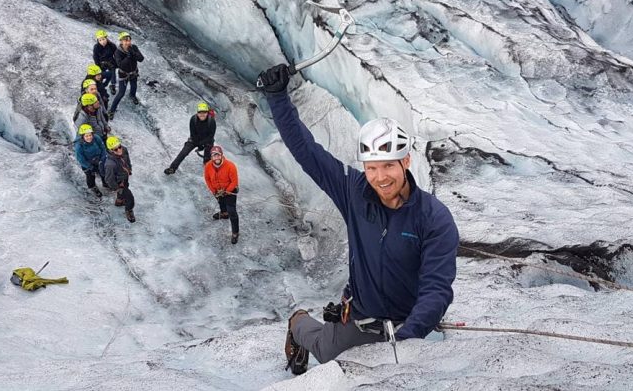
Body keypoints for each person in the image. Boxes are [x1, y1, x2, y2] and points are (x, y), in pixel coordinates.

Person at [256, 63, 459, 375]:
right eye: (372, 167)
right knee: (325, 352)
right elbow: (307, 152)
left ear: (405, 161)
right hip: (360, 315)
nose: (380, 177)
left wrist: (409, 337)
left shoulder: (433, 218)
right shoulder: (354, 191)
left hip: (407, 321)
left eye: (388, 165)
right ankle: (298, 322)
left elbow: (437, 288)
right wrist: (277, 97)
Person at [164, 102, 217, 175]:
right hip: (195, 139)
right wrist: (199, 144)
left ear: (207, 113)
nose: (202, 114)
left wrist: (202, 144)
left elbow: (211, 136)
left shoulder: (211, 121)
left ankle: (207, 166)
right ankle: (172, 168)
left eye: (204, 112)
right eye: (200, 112)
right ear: (197, 113)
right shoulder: (193, 119)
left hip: (207, 140)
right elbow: (193, 134)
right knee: (183, 152)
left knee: (207, 155)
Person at [203, 145, 239, 244]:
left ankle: (235, 232)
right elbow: (207, 179)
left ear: (221, 155)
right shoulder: (208, 166)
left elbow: (234, 181)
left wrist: (226, 191)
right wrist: (214, 191)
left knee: (232, 211)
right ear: (211, 157)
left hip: (230, 191)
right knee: (221, 202)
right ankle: (224, 213)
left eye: (218, 155)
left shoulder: (230, 166)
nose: (216, 158)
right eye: (214, 156)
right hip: (217, 190)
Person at [109, 31, 144, 117]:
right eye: (125, 40)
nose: (128, 42)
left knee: (134, 86)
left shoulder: (134, 47)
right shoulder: (117, 52)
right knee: (121, 93)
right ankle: (111, 110)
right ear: (121, 41)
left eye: (129, 40)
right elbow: (120, 65)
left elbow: (141, 59)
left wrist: (133, 53)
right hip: (123, 75)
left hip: (134, 73)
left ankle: (132, 96)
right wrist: (128, 57)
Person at [102, 135, 136, 222]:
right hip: (118, 182)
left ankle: (119, 201)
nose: (119, 150)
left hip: (124, 176)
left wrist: (129, 168)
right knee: (130, 198)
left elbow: (127, 159)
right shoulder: (110, 164)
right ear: (110, 150)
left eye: (119, 147)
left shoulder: (124, 150)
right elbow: (109, 179)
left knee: (126, 186)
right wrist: (116, 188)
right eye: (115, 149)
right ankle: (129, 210)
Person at [73, 124, 106, 197]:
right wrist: (90, 167)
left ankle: (106, 183)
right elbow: (81, 159)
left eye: (90, 135)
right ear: (82, 136)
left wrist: (102, 160)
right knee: (90, 176)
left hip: (98, 159)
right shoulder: (79, 146)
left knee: (103, 171)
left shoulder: (97, 138)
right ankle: (92, 187)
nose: (89, 137)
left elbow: (103, 149)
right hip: (87, 163)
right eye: (86, 136)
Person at [93, 30, 118, 95]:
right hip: (101, 63)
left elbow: (117, 55)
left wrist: (117, 63)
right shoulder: (96, 47)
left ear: (106, 38)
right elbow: (95, 57)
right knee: (100, 75)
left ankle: (112, 85)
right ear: (98, 41)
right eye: (100, 40)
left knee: (113, 72)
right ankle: (99, 85)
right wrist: (98, 65)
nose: (102, 42)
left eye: (103, 39)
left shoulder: (112, 45)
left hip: (110, 61)